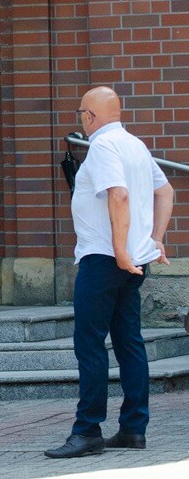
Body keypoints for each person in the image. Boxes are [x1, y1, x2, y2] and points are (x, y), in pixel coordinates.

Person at [44, 86, 174, 459]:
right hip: (134, 261)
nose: (81, 119)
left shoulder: (102, 146)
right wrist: (155, 239)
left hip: (105, 259)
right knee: (129, 342)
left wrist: (119, 249)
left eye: (81, 113)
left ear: (89, 116)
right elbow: (166, 192)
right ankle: (133, 429)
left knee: (90, 345)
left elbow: (118, 195)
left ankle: (87, 431)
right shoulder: (135, 144)